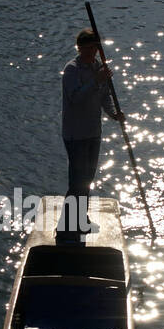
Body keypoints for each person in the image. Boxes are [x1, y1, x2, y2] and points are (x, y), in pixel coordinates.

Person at [60, 27, 124, 236]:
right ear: (79, 49)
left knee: (87, 178)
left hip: (93, 132)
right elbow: (75, 98)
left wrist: (114, 114)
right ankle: (68, 223)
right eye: (86, 49)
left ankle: (81, 219)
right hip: (75, 134)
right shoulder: (72, 70)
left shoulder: (99, 67)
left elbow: (104, 97)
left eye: (94, 48)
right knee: (77, 179)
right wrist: (95, 80)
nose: (91, 53)